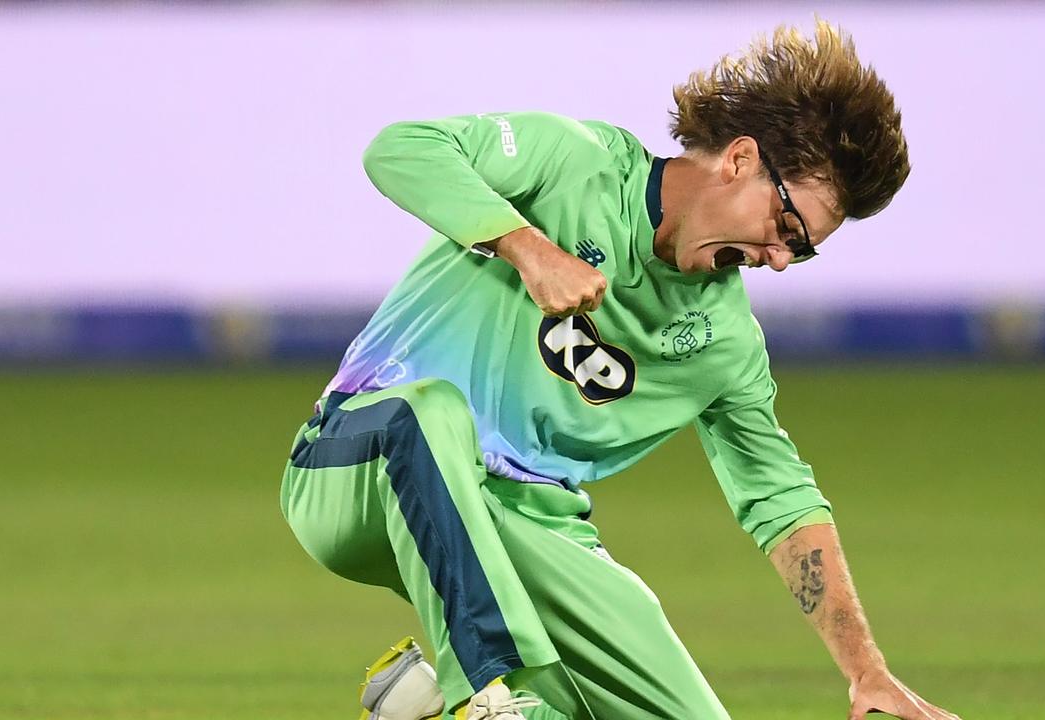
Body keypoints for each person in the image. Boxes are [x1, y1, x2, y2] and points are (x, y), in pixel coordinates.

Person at [280, 19, 960, 720]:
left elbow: (782, 500)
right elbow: (401, 148)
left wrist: (867, 672)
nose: (782, 259)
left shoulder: (724, 343)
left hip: (526, 531)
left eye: (803, 250)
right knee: (429, 414)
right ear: (739, 160)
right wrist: (525, 247)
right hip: (357, 469)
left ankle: (430, 709)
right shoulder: (577, 164)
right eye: (788, 227)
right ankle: (478, 699)